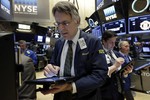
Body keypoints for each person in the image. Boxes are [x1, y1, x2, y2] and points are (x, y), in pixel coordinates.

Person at [42, 1, 108, 100]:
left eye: (65, 23)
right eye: (58, 23)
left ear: (77, 21)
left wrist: (71, 87)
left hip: (86, 96)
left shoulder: (92, 42)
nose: (61, 28)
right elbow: (54, 65)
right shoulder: (59, 43)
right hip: (60, 96)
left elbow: (100, 75)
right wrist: (50, 70)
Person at [100, 30, 125, 100]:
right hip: (107, 92)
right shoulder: (98, 54)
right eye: (111, 42)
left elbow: (118, 72)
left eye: (115, 42)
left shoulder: (115, 53)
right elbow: (101, 74)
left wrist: (125, 72)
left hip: (119, 89)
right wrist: (115, 66)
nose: (114, 45)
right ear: (104, 41)